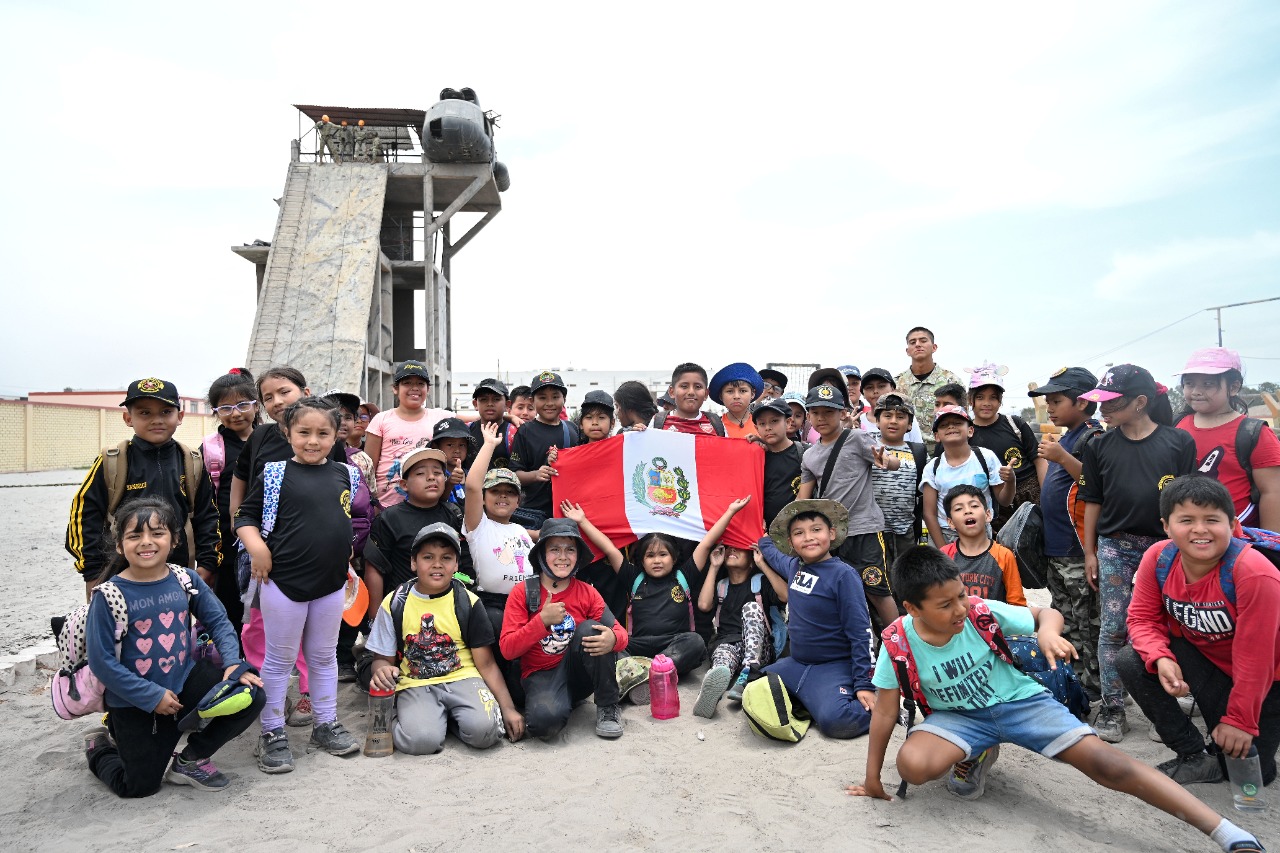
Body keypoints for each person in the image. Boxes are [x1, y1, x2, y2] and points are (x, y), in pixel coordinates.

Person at [848, 546, 1267, 853]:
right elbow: (885, 711)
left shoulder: (977, 610)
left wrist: (1048, 630)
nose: (959, 608)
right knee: (915, 766)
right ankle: (977, 752)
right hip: (959, 718)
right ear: (910, 608)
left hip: (1021, 702)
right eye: (945, 604)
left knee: (1108, 764)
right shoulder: (898, 640)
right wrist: (872, 779)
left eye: (960, 595)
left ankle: (1226, 833)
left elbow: (1045, 615)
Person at [84, 497, 264, 796]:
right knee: (138, 787)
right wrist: (151, 695)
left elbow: (218, 620)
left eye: (157, 533)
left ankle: (191, 759)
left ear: (174, 539)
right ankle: (99, 745)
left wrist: (233, 662)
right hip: (135, 701)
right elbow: (102, 662)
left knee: (250, 691)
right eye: (134, 535)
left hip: (185, 684)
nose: (146, 542)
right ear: (119, 545)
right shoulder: (108, 596)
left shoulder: (185, 579)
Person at [1119, 475, 1280, 788]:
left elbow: (1256, 659)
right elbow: (1141, 618)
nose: (1200, 530)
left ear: (1232, 524)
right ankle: (1193, 754)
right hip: (1210, 665)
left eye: (1212, 519)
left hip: (1268, 681)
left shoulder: (1254, 574)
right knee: (1131, 659)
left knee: (1253, 776)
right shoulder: (1160, 557)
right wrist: (1160, 657)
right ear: (1166, 526)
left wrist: (1240, 720)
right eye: (1187, 520)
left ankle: (1240, 726)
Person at [234, 397, 364, 772]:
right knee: (279, 660)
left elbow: (348, 519)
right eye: (304, 432)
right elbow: (245, 516)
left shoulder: (346, 473)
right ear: (287, 433)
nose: (313, 441)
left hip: (330, 584)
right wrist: (257, 548)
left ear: (335, 435)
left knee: (324, 658)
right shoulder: (274, 474)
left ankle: (325, 723)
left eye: (323, 433)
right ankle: (272, 732)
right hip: (283, 582)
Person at [1079, 364, 1198, 742]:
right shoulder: (1098, 445)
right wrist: (1090, 552)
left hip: (1166, 549)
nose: (1103, 410)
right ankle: (1113, 709)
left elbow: (1187, 502)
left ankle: (1164, 707)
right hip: (1116, 546)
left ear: (1141, 402)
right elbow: (1092, 501)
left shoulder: (1178, 443)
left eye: (1112, 403)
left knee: (1171, 627)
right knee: (1113, 628)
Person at [565, 497, 751, 703]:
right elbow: (609, 549)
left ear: (673, 558)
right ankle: (655, 673)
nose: (657, 560)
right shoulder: (634, 578)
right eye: (650, 555)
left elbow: (706, 543)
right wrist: (582, 521)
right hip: (638, 645)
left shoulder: (684, 576)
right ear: (642, 561)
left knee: (695, 642)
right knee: (614, 647)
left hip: (674, 643)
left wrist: (730, 511)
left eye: (663, 554)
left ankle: (646, 673)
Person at [364, 523, 524, 754]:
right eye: (428, 557)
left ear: (456, 565)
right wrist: (381, 670)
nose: (437, 564)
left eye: (446, 558)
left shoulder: (467, 602)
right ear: (413, 562)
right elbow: (382, 659)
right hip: (417, 682)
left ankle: (449, 720)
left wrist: (508, 707)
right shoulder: (395, 602)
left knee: (486, 732)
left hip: (464, 677)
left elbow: (486, 664)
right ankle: (423, 721)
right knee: (421, 742)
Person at [67, 377, 220, 597]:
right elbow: (83, 516)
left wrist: (207, 563)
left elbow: (207, 516)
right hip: (119, 578)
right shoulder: (113, 461)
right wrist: (92, 571)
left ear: (180, 417)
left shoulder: (192, 462)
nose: (156, 420)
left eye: (166, 412)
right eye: (145, 413)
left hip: (178, 577)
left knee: (174, 629)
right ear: (128, 418)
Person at [755, 499, 876, 739]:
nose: (808, 537)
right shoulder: (793, 566)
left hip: (835, 666)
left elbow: (861, 632)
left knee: (837, 722)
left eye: (816, 530)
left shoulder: (844, 576)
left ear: (831, 533)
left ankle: (886, 704)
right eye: (799, 533)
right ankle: (813, 700)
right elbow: (769, 550)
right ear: (790, 543)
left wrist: (864, 684)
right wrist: (763, 536)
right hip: (798, 664)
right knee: (757, 684)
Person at [500, 518, 629, 740]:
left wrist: (613, 640)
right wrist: (541, 622)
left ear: (578, 556)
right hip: (540, 675)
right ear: (541, 554)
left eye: (570, 549)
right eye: (554, 549)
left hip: (578, 674)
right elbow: (508, 649)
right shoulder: (522, 592)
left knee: (593, 629)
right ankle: (563, 701)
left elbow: (621, 633)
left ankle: (608, 706)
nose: (562, 557)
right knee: (543, 727)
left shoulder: (587, 592)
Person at [797, 384, 901, 632]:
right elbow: (803, 501)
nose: (821, 418)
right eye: (815, 412)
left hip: (865, 530)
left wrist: (886, 461)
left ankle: (902, 644)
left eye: (828, 412)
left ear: (842, 413)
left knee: (878, 590)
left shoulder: (856, 438)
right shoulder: (809, 456)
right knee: (837, 594)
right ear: (808, 415)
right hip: (831, 537)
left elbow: (892, 461)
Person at [1029, 366, 1103, 700]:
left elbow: (1098, 484)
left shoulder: (1093, 437)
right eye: (1048, 401)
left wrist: (1062, 457)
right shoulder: (1068, 436)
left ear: (1084, 403)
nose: (1051, 407)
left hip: (1077, 549)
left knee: (1088, 623)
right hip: (1057, 548)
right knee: (1066, 617)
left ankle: (1095, 688)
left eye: (1057, 400)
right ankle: (1073, 681)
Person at [463, 423, 535, 703]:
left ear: (518, 501)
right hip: (492, 605)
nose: (503, 496)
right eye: (495, 491)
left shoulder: (519, 531)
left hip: (525, 602)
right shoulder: (478, 525)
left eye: (510, 492)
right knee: (502, 641)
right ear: (484, 498)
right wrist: (490, 445)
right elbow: (471, 485)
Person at [1175, 347, 1280, 530]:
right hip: (1184, 535)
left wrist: (1269, 546)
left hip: (1237, 539)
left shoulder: (1254, 433)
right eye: (1190, 383)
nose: (1196, 391)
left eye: (1208, 384)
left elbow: (1272, 492)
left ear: (1233, 387)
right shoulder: (1176, 424)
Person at [363, 447, 466, 629]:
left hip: (449, 608)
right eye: (420, 473)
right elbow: (375, 569)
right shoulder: (389, 519)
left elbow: (464, 563)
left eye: (437, 472)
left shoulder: (454, 514)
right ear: (404, 484)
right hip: (404, 610)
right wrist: (375, 619)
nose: (431, 477)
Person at [696, 519, 789, 716]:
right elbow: (704, 605)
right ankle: (713, 688)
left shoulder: (760, 582)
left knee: (751, 608)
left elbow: (786, 595)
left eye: (739, 547)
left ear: (751, 558)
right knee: (722, 656)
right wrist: (713, 566)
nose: (732, 550)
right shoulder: (721, 585)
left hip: (759, 648)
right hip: (728, 642)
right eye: (729, 547)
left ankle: (748, 673)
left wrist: (762, 563)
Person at [322, 389, 376, 683]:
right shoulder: (311, 455)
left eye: (349, 416)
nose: (343, 421)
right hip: (322, 547)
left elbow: (372, 502)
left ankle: (344, 657)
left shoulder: (362, 460)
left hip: (359, 546)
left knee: (352, 601)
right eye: (337, 415)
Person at [203, 368, 262, 633]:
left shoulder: (272, 440)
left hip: (269, 539)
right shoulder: (212, 449)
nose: (235, 413)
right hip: (228, 544)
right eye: (225, 407)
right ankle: (234, 661)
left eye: (242, 405)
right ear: (215, 411)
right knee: (230, 606)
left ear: (255, 405)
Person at [920, 405, 1013, 549]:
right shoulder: (932, 467)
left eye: (957, 423)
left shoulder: (986, 457)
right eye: (944, 425)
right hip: (946, 534)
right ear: (937, 436)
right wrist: (943, 550)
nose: (951, 427)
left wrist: (1011, 481)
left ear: (970, 430)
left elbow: (1004, 501)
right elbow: (929, 514)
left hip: (981, 533)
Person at [365, 360, 454, 508]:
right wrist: (372, 505)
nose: (415, 388)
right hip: (386, 505)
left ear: (428, 389)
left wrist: (507, 416)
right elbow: (368, 469)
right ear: (395, 388)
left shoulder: (439, 416)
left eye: (421, 384)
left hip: (427, 505)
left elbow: (478, 418)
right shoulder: (381, 419)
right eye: (407, 383)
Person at [965, 363, 1044, 531]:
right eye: (980, 397)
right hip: (994, 503)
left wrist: (1047, 495)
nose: (987, 403)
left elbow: (1039, 460)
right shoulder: (966, 432)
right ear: (970, 400)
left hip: (1030, 497)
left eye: (993, 397)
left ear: (1000, 400)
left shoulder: (1015, 424)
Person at [509, 371, 583, 528]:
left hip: (569, 512)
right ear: (533, 401)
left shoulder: (572, 429)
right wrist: (535, 475)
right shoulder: (525, 431)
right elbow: (514, 475)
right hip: (534, 514)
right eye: (542, 398)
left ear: (564, 399)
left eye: (555, 397)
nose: (549, 403)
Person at [940, 485, 1026, 605]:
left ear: (988, 515)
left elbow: (1017, 604)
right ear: (951, 522)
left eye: (974, 506)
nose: (968, 511)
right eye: (959, 509)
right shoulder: (944, 556)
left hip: (995, 623)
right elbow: (938, 600)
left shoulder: (1004, 556)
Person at [870, 393, 926, 568]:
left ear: (909, 424)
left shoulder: (918, 452)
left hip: (905, 531)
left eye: (900, 417)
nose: (893, 421)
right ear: (877, 421)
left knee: (905, 578)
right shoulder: (866, 446)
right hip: (873, 531)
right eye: (887, 415)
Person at [895, 327, 963, 452]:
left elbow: (963, 417)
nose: (918, 345)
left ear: (934, 347)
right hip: (908, 453)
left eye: (923, 340)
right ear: (907, 351)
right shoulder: (897, 384)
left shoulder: (951, 380)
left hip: (944, 451)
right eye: (913, 342)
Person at [751, 398, 805, 526]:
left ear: (788, 422)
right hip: (766, 533)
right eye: (762, 424)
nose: (768, 428)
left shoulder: (804, 453)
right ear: (756, 427)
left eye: (774, 421)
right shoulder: (756, 456)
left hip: (799, 528)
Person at [653, 363, 726, 436]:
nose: (691, 392)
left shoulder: (717, 425)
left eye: (698, 387)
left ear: (706, 394)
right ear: (672, 392)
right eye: (684, 386)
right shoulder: (656, 423)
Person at [859, 368, 923, 444]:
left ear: (893, 388)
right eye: (869, 387)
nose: (875, 391)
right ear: (863, 393)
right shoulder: (858, 421)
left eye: (881, 386)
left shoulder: (906, 417)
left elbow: (918, 446)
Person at [467, 378, 517, 470]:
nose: (490, 404)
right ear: (475, 404)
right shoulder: (466, 431)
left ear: (507, 404)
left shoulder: (514, 433)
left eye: (496, 399)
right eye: (483, 399)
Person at [709, 362, 764, 439]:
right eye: (730, 391)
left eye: (743, 391)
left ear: (752, 394)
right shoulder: (713, 428)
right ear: (721, 396)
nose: (736, 396)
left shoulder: (763, 424)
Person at [430, 416, 474, 509]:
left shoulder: (472, 476)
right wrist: (450, 483)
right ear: (435, 447)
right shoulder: (431, 476)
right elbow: (435, 502)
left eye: (462, 445)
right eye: (450, 445)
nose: (457, 450)